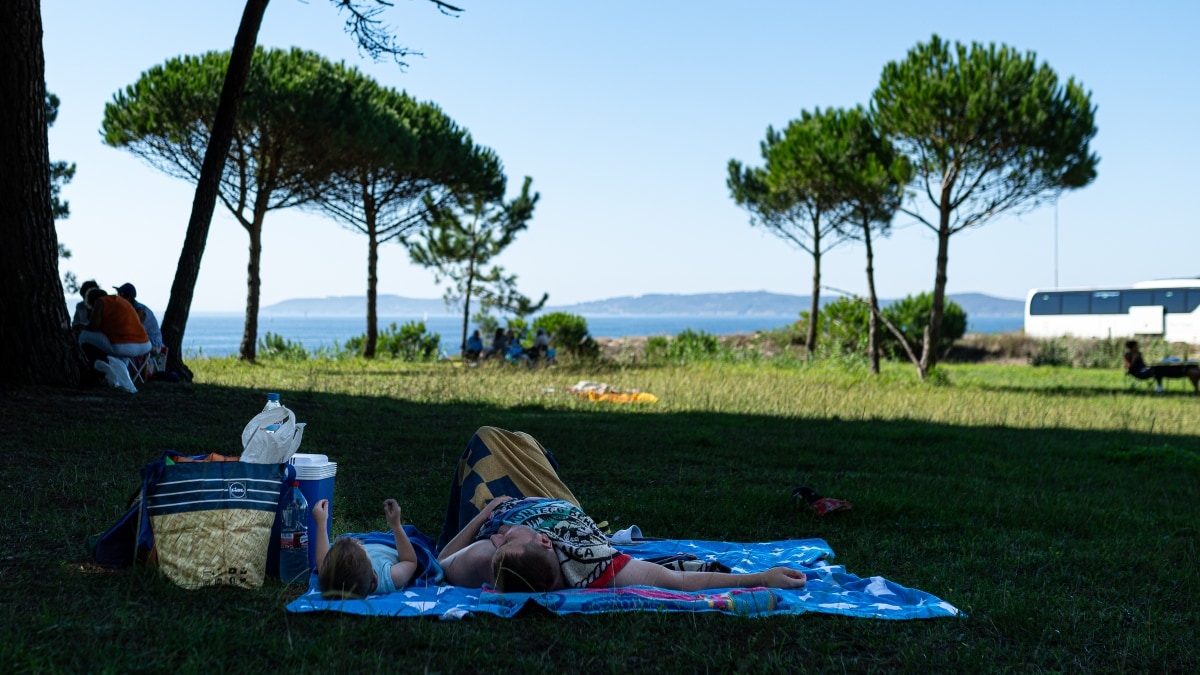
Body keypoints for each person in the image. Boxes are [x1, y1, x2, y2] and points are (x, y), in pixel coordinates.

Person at [435, 427, 809, 593]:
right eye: (505, 539)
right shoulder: (598, 566)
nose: (499, 538)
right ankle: (529, 450)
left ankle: (518, 453)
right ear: (548, 544)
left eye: (500, 541)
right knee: (515, 441)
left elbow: (441, 561)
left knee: (486, 438)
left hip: (503, 503)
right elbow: (680, 583)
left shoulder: (487, 555)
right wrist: (760, 578)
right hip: (554, 501)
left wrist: (487, 518)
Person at [312, 497, 419, 599]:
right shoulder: (389, 577)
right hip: (391, 544)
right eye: (363, 549)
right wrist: (396, 526)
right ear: (374, 578)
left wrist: (321, 523)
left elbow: (322, 562)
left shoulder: (331, 576)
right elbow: (410, 561)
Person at [77, 287, 151, 364]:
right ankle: (122, 371)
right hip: (145, 344)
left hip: (126, 346)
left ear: (94, 301)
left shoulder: (100, 301)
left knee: (82, 334)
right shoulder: (120, 301)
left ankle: (82, 363)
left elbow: (93, 327)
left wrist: (82, 326)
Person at [115, 282, 164, 350]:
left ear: (129, 297)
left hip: (154, 344)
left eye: (121, 295)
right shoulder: (131, 308)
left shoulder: (139, 311)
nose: (118, 298)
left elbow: (133, 329)